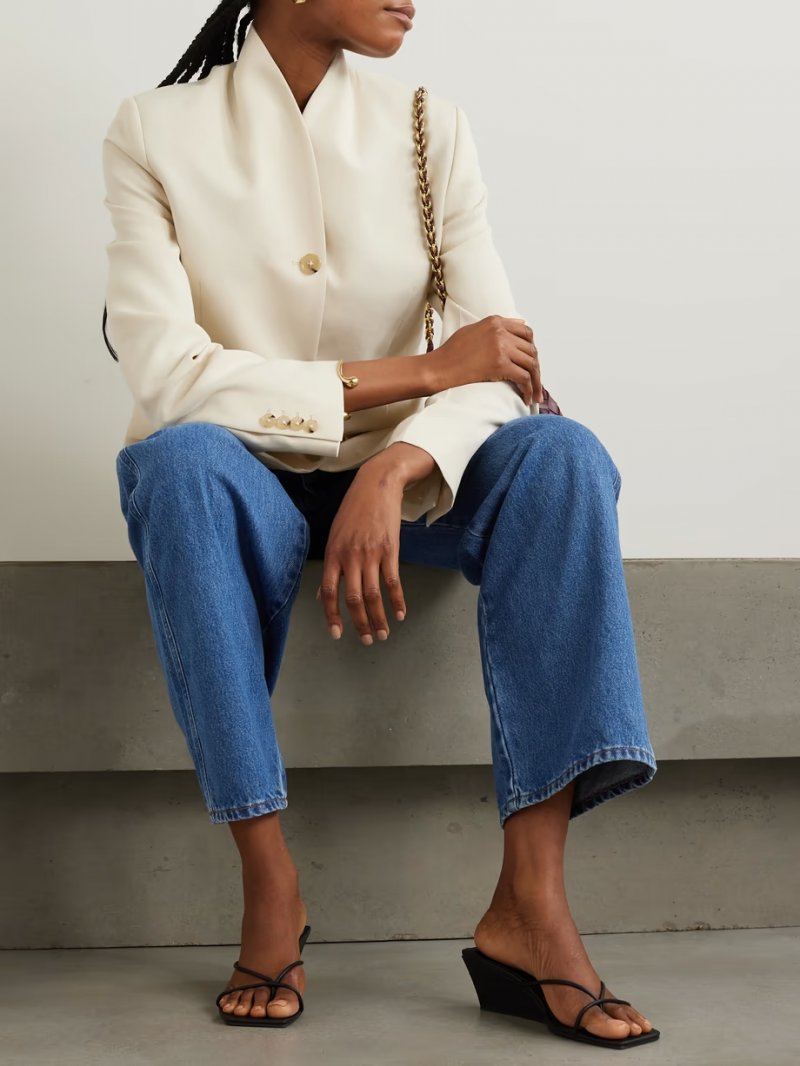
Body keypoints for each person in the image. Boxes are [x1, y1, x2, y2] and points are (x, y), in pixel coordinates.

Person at [102, 0, 660, 1048]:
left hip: (413, 481)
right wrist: (417, 372)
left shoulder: (426, 123)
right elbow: (169, 375)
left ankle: (530, 904)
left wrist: (399, 464)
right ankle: (270, 881)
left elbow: (499, 360)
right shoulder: (153, 130)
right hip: (245, 475)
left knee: (563, 455)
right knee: (171, 465)